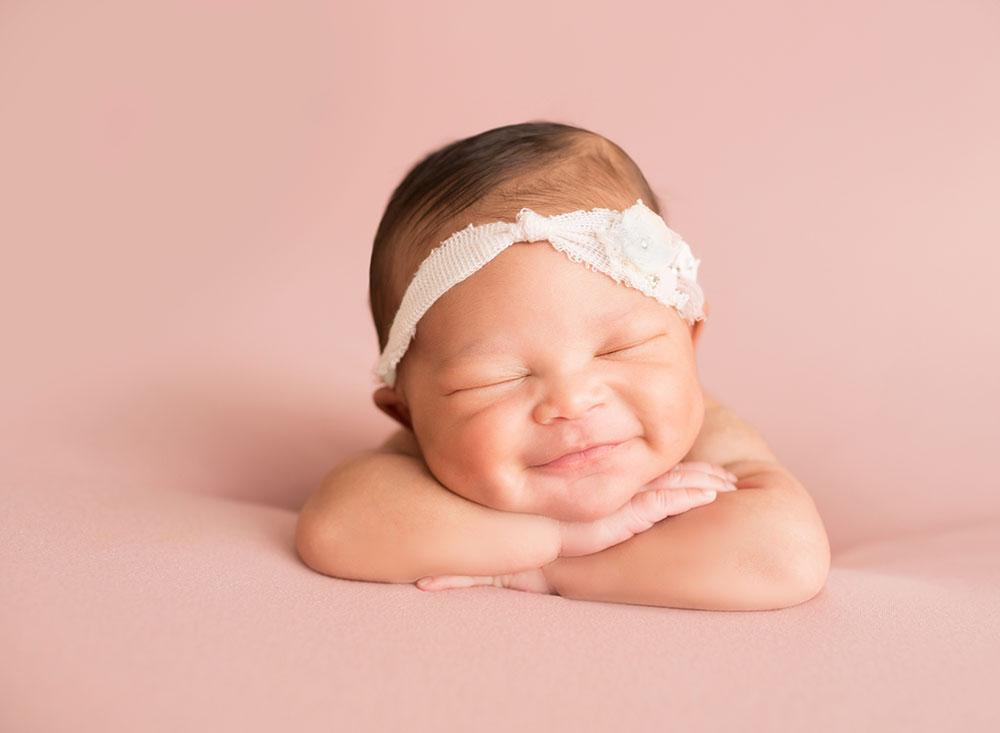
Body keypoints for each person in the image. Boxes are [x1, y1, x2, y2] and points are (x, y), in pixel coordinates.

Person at [296, 121, 830, 610]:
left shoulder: (707, 437)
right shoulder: (428, 455)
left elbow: (784, 555)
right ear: (407, 413)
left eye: (618, 349)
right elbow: (333, 528)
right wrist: (553, 540)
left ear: (688, 339)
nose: (573, 401)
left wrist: (551, 570)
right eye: (498, 378)